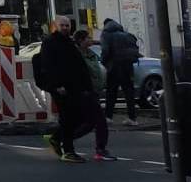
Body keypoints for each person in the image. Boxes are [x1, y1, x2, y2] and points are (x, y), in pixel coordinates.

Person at [35, 16, 93, 164]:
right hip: (61, 88)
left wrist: (86, 85)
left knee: (77, 117)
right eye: (63, 25)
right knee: (68, 118)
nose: (66, 28)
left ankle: (57, 139)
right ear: (56, 26)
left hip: (73, 86)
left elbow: (78, 66)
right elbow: (48, 66)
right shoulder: (50, 42)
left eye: (67, 25)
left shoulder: (69, 42)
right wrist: (56, 85)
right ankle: (68, 150)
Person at [75, 29, 118, 161]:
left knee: (89, 123)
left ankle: (62, 138)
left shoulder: (91, 54)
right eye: (88, 38)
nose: (90, 40)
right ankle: (101, 149)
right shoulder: (77, 55)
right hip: (85, 92)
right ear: (81, 41)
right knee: (100, 122)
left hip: (94, 91)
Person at [99, 18, 141, 126]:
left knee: (111, 92)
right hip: (128, 67)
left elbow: (105, 50)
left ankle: (108, 117)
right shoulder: (126, 35)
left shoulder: (106, 34)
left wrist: (103, 62)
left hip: (114, 67)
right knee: (129, 93)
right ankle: (132, 118)